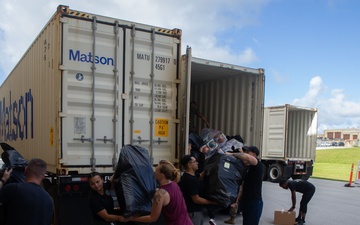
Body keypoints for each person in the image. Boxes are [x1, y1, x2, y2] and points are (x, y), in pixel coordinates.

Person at [119, 160, 193, 225]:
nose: (154, 172)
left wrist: (130, 219)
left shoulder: (160, 194)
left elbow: (152, 218)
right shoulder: (174, 185)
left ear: (162, 175)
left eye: (157, 170)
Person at [0, 158, 54, 225]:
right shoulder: (49, 199)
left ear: (25, 171)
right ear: (43, 177)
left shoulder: (14, 189)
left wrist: (3, 179)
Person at [180, 155, 217, 225]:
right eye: (195, 161)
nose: (197, 163)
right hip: (193, 212)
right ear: (189, 165)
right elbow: (196, 199)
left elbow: (200, 177)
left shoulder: (189, 176)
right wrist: (212, 202)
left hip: (193, 211)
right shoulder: (190, 180)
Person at [235, 146, 263, 225]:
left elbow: (248, 158)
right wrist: (237, 202)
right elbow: (242, 187)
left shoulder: (257, 165)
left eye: (247, 152)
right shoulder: (248, 169)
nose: (245, 154)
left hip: (254, 202)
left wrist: (231, 154)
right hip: (247, 201)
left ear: (254, 154)